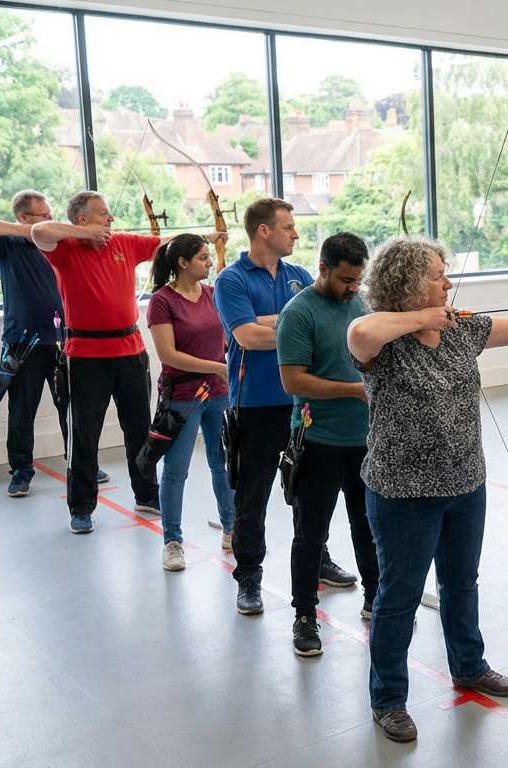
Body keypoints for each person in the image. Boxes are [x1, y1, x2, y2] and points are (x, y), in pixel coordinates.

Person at [346, 235, 508, 743]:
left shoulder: (458, 330)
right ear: (408, 284)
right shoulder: (383, 344)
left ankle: (469, 666)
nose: (447, 283)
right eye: (436, 275)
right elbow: (360, 329)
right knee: (399, 596)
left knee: (462, 582)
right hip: (403, 494)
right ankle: (388, 698)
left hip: (465, 483)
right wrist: (420, 319)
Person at [31, 192, 224, 533]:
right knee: (83, 433)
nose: (110, 220)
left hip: (130, 350)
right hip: (85, 356)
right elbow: (39, 232)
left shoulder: (123, 243)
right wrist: (86, 236)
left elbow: (165, 244)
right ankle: (82, 505)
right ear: (82, 219)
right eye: (103, 215)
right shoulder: (64, 250)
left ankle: (147, 493)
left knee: (139, 427)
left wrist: (208, 238)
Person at [213, 198, 355, 614]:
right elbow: (246, 337)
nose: (295, 234)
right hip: (255, 405)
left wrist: (273, 322)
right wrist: (296, 327)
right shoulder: (231, 279)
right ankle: (249, 578)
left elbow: (328, 327)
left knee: (309, 493)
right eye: (289, 227)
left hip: (302, 405)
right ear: (264, 231)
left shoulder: (299, 275)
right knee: (252, 498)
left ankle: (318, 562)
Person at [277, 231, 380, 657]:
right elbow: (293, 380)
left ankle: (376, 599)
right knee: (310, 535)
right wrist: (355, 390)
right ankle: (305, 617)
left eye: (358, 280)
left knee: (369, 529)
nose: (353, 289)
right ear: (322, 269)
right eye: (344, 280)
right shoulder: (298, 314)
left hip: (366, 441)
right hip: (317, 442)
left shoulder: (362, 303)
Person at [0, 190, 88, 497]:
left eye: (51, 216)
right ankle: (21, 470)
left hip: (63, 340)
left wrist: (48, 230)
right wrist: (31, 231)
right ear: (23, 217)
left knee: (72, 407)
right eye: (44, 217)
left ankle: (79, 462)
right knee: (22, 411)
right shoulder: (8, 244)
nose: (50, 221)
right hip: (23, 342)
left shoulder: (55, 244)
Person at [145, 233, 234, 569]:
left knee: (223, 463)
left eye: (210, 257)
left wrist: (225, 365)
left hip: (219, 394)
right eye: (203, 258)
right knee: (176, 470)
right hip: (183, 396)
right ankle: (172, 541)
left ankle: (231, 528)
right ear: (182, 263)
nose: (210, 263)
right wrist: (216, 367)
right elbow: (169, 355)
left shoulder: (213, 295)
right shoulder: (162, 301)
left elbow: (225, 341)